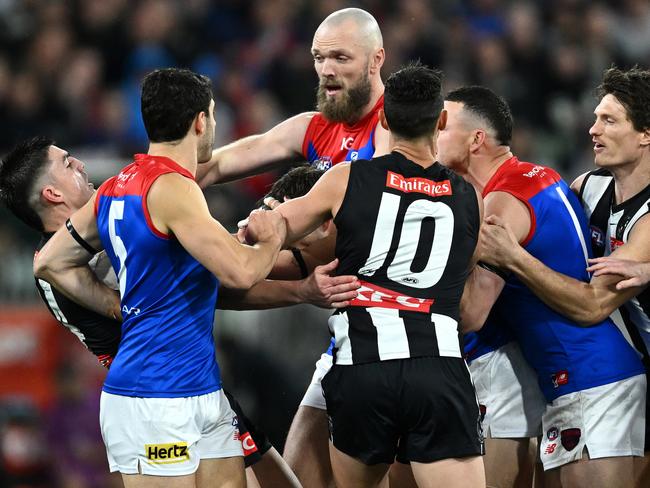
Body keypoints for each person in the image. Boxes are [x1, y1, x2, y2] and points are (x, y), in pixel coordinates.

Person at [0, 138, 358, 487]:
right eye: (66, 163)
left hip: (195, 386)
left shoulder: (90, 242)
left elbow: (201, 287)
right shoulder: (85, 256)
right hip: (158, 399)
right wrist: (280, 253)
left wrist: (297, 282)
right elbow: (219, 283)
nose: (79, 164)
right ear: (52, 194)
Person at [33, 68, 286, 488]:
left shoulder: (116, 186)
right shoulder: (173, 188)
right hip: (152, 395)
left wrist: (117, 305)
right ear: (201, 121)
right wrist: (272, 237)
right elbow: (241, 272)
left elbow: (49, 262)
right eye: (214, 116)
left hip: (201, 387)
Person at [254, 62, 486, 488]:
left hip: (363, 368)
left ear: (381, 117)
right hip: (437, 368)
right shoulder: (469, 196)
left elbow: (277, 226)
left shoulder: (345, 178)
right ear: (442, 120)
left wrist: (253, 227)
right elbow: (463, 274)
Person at [197, 8, 388, 487]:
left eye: (341, 57)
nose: (326, 69)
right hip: (347, 333)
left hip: (399, 337)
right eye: (319, 57)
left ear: (376, 60)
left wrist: (263, 252)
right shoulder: (316, 127)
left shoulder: (397, 132)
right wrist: (146, 186)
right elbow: (222, 163)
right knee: (297, 474)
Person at [437, 85, 646, 487]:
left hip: (592, 377)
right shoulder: (569, 181)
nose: (592, 130)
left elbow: (472, 312)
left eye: (443, 127)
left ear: (477, 139)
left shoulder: (504, 198)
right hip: (582, 376)